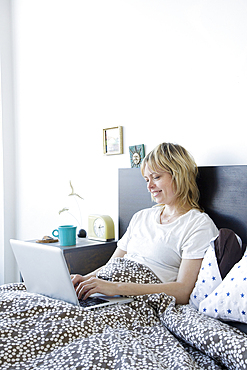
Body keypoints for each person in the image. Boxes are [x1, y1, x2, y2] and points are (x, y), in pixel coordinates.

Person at [71, 143, 218, 304]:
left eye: (156, 177)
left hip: (137, 301)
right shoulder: (141, 217)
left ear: (179, 175)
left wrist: (116, 288)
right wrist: (84, 280)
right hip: (107, 295)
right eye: (147, 179)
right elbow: (111, 266)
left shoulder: (198, 224)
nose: (149, 186)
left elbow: (182, 291)